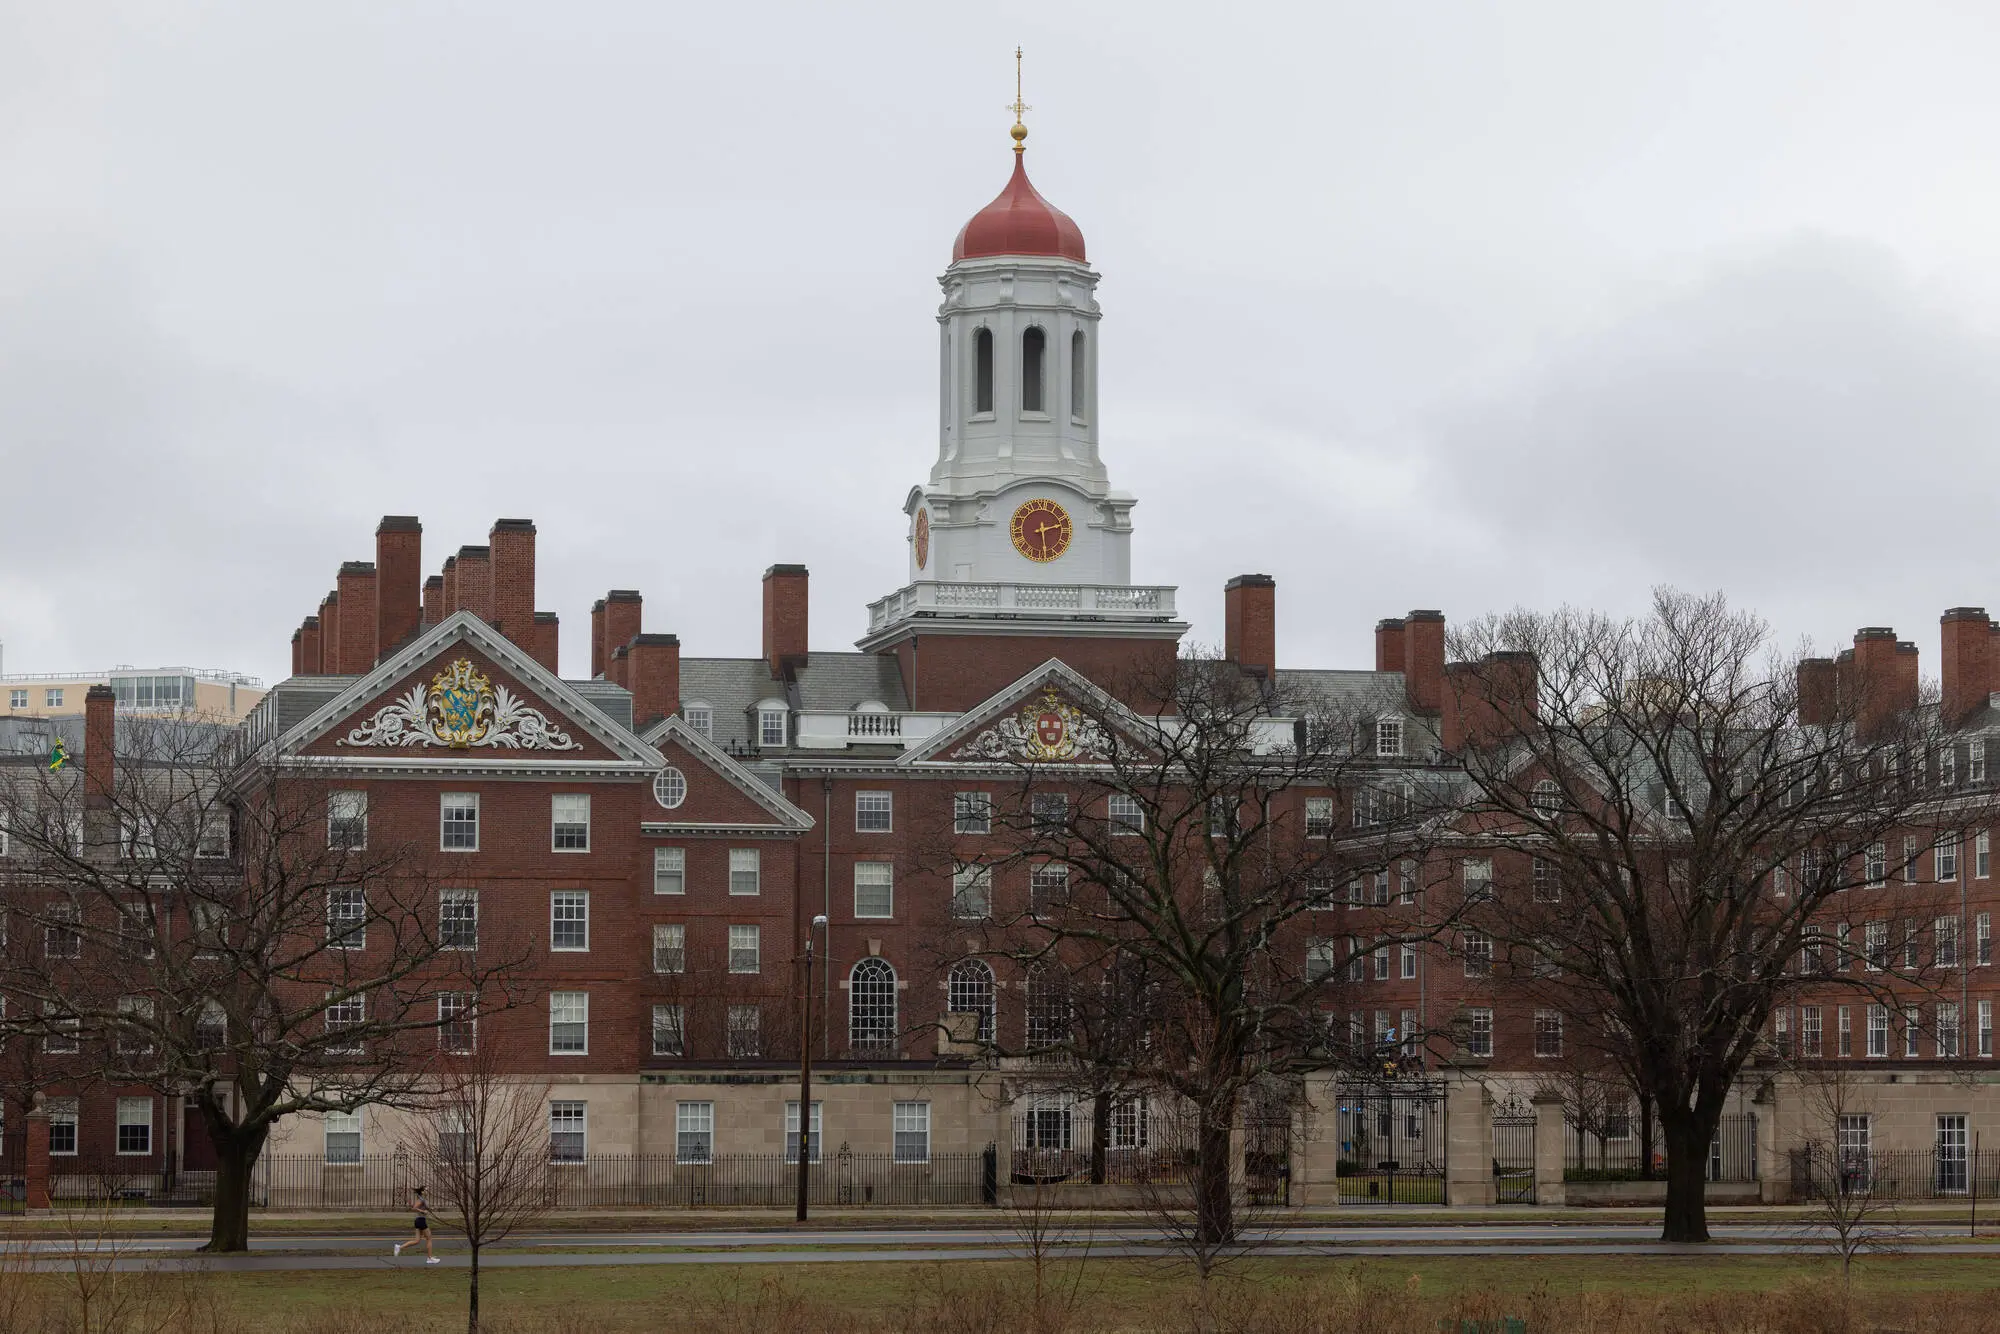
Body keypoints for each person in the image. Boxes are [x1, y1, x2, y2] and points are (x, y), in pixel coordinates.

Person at [393, 1185, 440, 1263]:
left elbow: (423, 1207)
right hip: (421, 1220)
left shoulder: (423, 1199)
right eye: (426, 1190)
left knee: (417, 1241)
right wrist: (423, 1211)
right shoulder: (421, 1199)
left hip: (419, 1220)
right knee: (429, 1238)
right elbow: (414, 1208)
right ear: (422, 1192)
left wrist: (430, 1208)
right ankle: (430, 1258)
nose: (428, 1191)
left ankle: (399, 1247)